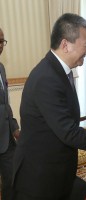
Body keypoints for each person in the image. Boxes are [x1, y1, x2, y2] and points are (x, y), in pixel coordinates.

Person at [12, 13, 86, 200]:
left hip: (56, 171)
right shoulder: (47, 77)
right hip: (39, 178)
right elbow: (68, 132)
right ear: (66, 44)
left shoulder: (60, 72)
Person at [0, 28, 20, 200]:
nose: (0, 45)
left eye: (2, 41)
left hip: (7, 140)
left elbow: (5, 103)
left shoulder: (1, 68)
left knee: (11, 181)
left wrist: (14, 127)